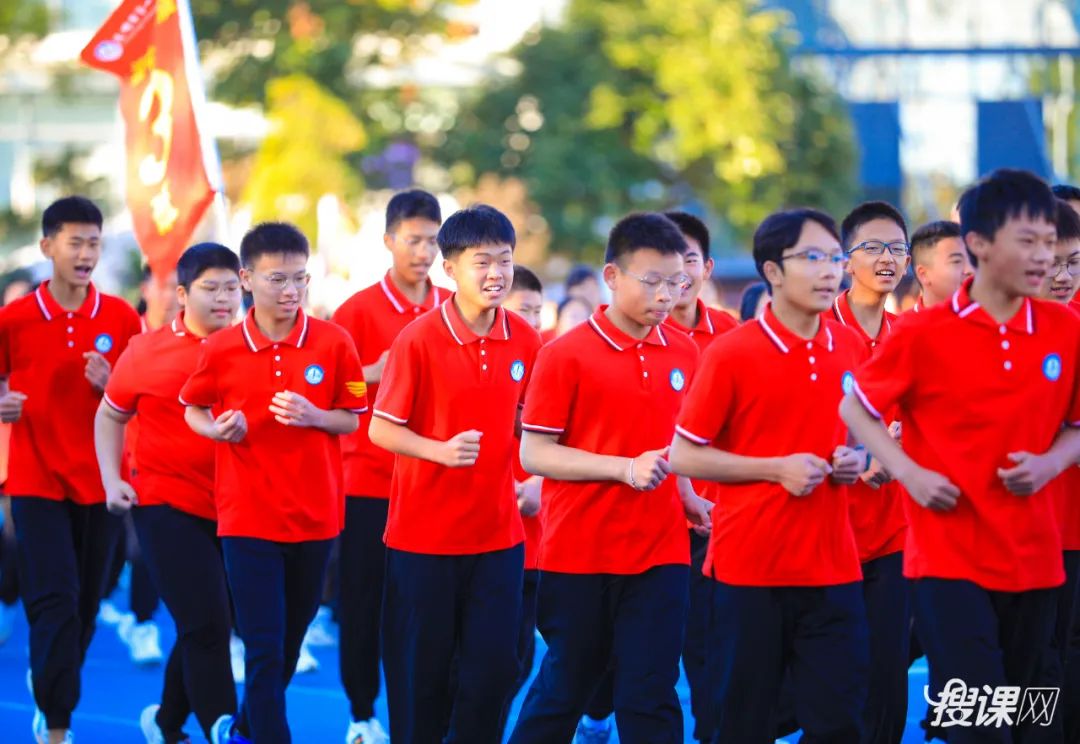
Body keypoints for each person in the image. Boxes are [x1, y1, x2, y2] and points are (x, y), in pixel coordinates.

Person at [840, 168, 1080, 744]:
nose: (1045, 258)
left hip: (1038, 558)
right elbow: (857, 409)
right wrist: (910, 474)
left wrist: (1049, 463)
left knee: (1029, 714)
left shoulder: (1063, 329)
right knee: (978, 725)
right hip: (950, 559)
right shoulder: (923, 333)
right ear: (978, 243)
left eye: (1050, 244)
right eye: (1029, 242)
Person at [509, 213, 710, 744]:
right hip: (582, 552)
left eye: (676, 281)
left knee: (651, 693)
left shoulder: (685, 353)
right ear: (612, 276)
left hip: (662, 550)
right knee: (566, 688)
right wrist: (622, 469)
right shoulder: (564, 355)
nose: (666, 294)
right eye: (652, 281)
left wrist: (688, 494)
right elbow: (535, 453)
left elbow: (676, 443)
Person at [670, 208, 869, 744]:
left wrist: (855, 462)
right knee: (743, 721)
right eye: (813, 258)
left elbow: (855, 438)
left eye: (835, 258)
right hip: (749, 571)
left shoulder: (848, 347)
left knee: (841, 721)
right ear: (773, 272)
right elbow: (685, 455)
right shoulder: (733, 352)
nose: (830, 271)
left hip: (834, 568)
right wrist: (774, 469)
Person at [181, 222, 367, 744]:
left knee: (288, 643)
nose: (290, 291)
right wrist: (217, 429)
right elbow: (193, 408)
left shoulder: (334, 342)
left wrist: (314, 415)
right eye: (277, 279)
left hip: (315, 518)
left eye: (300, 280)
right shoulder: (221, 348)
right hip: (247, 518)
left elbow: (352, 416)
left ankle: (242, 728)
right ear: (246, 279)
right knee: (263, 646)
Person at [369, 204, 542, 743]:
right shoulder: (418, 339)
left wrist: (535, 474)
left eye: (505, 261)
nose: (496, 274)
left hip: (498, 538)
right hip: (425, 540)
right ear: (450, 269)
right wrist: (439, 451)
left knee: (494, 672)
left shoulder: (526, 340)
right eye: (481, 262)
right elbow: (381, 429)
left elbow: (531, 427)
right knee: (422, 677)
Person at [0, 196, 142, 744]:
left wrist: (114, 386)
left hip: (102, 483)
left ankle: (54, 676)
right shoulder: (14, 319)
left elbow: (143, 398)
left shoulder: (119, 318)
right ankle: (57, 726)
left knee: (84, 604)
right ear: (47, 247)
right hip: (36, 482)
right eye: (74, 242)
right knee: (54, 599)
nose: (85, 254)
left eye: (93, 244)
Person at [95, 243, 242, 744]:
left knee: (203, 623)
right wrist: (112, 480)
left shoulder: (252, 345)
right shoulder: (146, 350)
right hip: (165, 503)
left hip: (237, 506)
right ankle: (225, 729)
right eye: (211, 288)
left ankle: (165, 723)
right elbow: (111, 413)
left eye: (231, 287)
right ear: (182, 294)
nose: (224, 298)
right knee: (207, 622)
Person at [330, 189, 446, 744]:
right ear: (388, 241)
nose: (423, 252)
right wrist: (371, 374)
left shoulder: (453, 303)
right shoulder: (356, 310)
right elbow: (335, 390)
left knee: (417, 613)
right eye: (413, 240)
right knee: (363, 603)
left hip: (433, 484)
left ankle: (414, 718)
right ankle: (360, 712)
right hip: (368, 483)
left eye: (432, 241)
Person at [833, 200, 911, 744]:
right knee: (829, 677)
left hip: (894, 532)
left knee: (887, 672)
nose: (888, 259)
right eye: (873, 247)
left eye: (897, 249)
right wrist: (860, 459)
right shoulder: (816, 332)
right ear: (844, 259)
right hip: (825, 534)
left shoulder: (913, 335)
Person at [1040, 198, 1080, 742]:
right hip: (987, 537)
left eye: (1076, 260)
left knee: (1059, 658)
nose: (1065, 274)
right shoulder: (951, 328)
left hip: (1066, 529)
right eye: (1055, 261)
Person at [501, 265, 546, 716]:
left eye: (536, 311)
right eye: (522, 311)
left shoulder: (550, 361)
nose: (531, 321)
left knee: (520, 661)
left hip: (537, 545)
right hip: (487, 541)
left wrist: (540, 482)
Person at [908, 220, 973, 310]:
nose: (970, 270)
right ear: (923, 274)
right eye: (957, 261)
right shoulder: (906, 324)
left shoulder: (991, 317)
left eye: (972, 259)